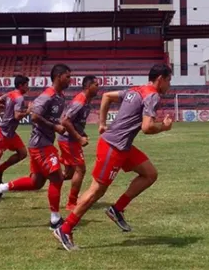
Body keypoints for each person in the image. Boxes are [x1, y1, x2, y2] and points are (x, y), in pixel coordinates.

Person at [54, 64, 173, 251]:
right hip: (113, 147)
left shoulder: (136, 89)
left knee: (150, 174)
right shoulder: (152, 95)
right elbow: (147, 127)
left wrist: (102, 123)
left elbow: (107, 96)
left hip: (122, 145)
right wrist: (164, 127)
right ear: (160, 79)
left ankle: (116, 210)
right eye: (169, 80)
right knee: (96, 191)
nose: (169, 85)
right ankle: (65, 228)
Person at [0, 64, 71, 229]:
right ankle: (55, 220)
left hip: (42, 142)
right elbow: (34, 116)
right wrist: (55, 127)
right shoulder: (47, 95)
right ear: (59, 76)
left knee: (36, 182)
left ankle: (0, 187)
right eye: (68, 76)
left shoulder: (60, 95)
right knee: (57, 178)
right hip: (41, 144)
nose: (70, 79)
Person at [58, 75, 99, 211]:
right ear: (88, 86)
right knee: (80, 169)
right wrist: (78, 137)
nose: (98, 88)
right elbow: (65, 121)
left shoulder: (86, 101)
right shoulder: (80, 101)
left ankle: (47, 175)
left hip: (69, 139)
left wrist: (82, 133)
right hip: (68, 140)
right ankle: (71, 203)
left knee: (69, 174)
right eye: (96, 85)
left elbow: (75, 122)